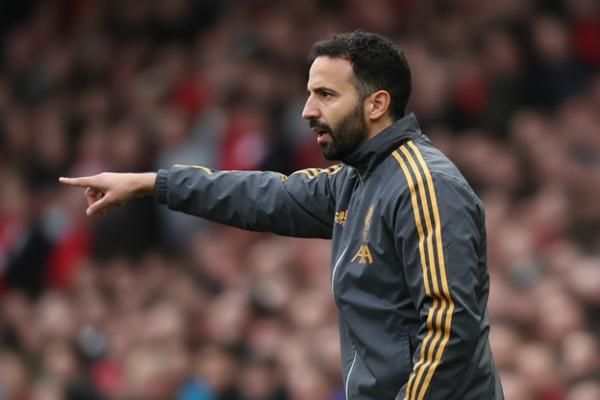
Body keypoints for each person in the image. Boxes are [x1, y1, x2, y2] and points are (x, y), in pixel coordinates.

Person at [60, 31, 504, 400]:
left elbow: (449, 328)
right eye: (310, 94)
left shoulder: (423, 184)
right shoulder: (355, 180)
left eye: (325, 95)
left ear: (376, 104)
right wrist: (153, 183)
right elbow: (261, 195)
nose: (307, 111)